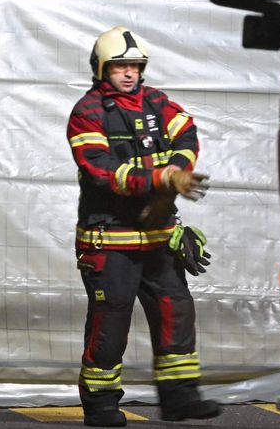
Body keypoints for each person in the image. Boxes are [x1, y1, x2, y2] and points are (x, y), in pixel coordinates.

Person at [66, 27, 220, 427]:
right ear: (102, 69)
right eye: (120, 66)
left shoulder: (157, 102)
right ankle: (100, 407)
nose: (129, 73)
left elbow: (185, 133)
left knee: (176, 312)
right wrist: (163, 181)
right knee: (109, 325)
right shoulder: (88, 112)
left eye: (135, 66)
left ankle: (180, 397)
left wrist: (177, 175)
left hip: (157, 238)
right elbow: (102, 171)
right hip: (109, 241)